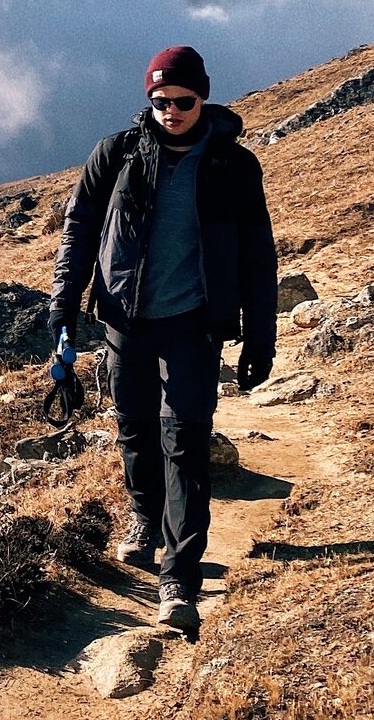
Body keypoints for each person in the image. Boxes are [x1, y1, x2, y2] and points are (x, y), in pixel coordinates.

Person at [49, 45, 277, 635]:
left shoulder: (233, 167)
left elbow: (257, 256)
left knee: (188, 440)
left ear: (203, 97)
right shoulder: (118, 154)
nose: (171, 111)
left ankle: (179, 576)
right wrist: (63, 309)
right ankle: (144, 516)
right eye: (160, 101)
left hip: (195, 324)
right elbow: (79, 230)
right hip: (125, 320)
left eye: (183, 101)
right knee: (134, 426)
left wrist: (260, 338)